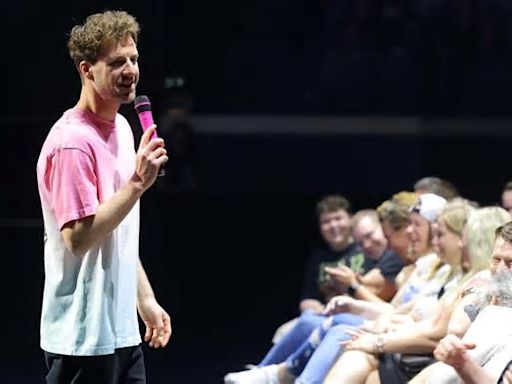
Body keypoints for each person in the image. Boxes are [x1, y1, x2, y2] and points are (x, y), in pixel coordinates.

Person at [36, 10, 171, 383]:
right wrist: (137, 184)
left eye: (133, 59)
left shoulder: (125, 130)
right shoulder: (72, 143)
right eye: (116, 62)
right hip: (82, 337)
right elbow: (78, 238)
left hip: (121, 332)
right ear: (87, 69)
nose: (130, 70)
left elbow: (118, 231)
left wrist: (143, 298)